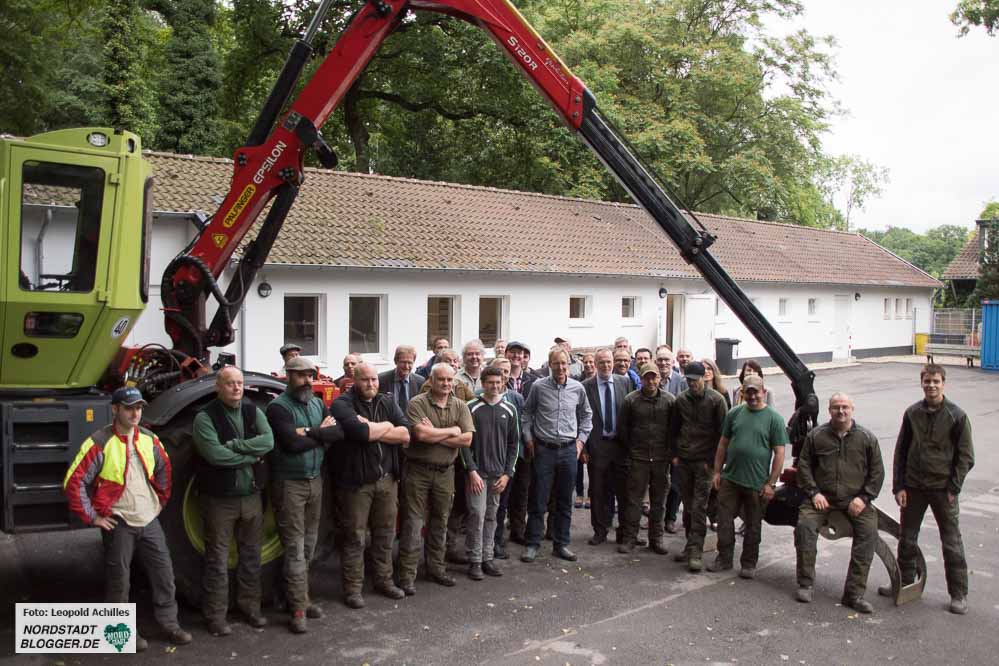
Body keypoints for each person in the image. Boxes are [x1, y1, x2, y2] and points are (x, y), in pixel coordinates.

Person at [63, 387, 192, 652]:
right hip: (119, 522)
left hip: (148, 520)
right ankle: (121, 636)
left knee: (165, 575)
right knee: (119, 581)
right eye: (129, 407)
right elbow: (74, 482)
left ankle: (170, 624)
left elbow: (164, 470)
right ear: (115, 409)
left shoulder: (149, 439)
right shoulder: (99, 442)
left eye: (139, 408)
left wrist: (158, 503)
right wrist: (93, 517)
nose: (135, 413)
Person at [882, 364, 974, 615]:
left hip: (944, 490)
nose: (931, 386)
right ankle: (904, 584)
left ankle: (958, 594)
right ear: (921, 383)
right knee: (907, 539)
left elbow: (966, 456)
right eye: (927, 381)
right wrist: (899, 486)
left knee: (951, 542)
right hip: (913, 488)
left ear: (944, 383)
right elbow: (901, 451)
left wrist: (954, 487)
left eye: (936, 381)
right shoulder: (912, 413)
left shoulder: (957, 416)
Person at [192, 366, 274, 636]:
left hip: (251, 497)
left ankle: (250, 607)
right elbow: (215, 455)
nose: (237, 388)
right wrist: (251, 456)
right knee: (217, 558)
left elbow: (268, 441)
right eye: (230, 384)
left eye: (239, 383)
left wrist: (237, 447)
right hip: (219, 500)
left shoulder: (253, 411)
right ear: (219, 387)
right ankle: (216, 615)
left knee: (251, 555)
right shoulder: (205, 418)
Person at [266, 356, 343, 632]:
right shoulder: (278, 408)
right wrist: (319, 433)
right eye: (301, 375)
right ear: (289, 376)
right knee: (295, 548)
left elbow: (337, 433)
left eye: (310, 375)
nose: (307, 380)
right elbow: (291, 443)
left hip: (315, 481)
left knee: (309, 545)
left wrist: (310, 432)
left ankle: (297, 597)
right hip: (290, 484)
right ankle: (298, 608)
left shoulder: (317, 403)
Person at [330, 363, 411, 609]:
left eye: (374, 379)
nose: (371, 384)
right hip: (356, 484)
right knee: (354, 536)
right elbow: (359, 433)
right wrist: (387, 428)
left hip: (386, 480)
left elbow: (406, 434)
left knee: (385, 533)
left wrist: (377, 428)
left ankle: (383, 580)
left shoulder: (386, 401)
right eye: (365, 380)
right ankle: (353, 588)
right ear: (354, 380)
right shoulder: (342, 404)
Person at [794, 393, 884, 613]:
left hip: (855, 500)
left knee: (869, 533)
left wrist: (864, 498)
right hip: (821, 498)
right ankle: (805, 583)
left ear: (852, 409)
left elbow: (877, 473)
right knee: (804, 527)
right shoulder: (816, 436)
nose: (841, 411)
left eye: (845, 407)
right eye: (836, 407)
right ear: (829, 410)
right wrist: (814, 493)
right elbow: (804, 467)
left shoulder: (867, 439)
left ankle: (854, 594)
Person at [399, 363, 475, 593]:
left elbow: (467, 440)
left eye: (450, 380)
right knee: (413, 523)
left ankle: (436, 569)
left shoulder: (460, 405)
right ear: (431, 380)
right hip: (417, 471)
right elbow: (420, 434)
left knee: (440, 522)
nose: (446, 384)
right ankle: (406, 576)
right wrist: (452, 431)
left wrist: (436, 435)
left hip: (445, 472)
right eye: (441, 379)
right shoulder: (417, 403)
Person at [709, 374, 788, 579]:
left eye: (756, 392)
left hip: (756, 483)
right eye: (748, 392)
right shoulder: (734, 414)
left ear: (763, 392)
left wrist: (771, 483)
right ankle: (724, 558)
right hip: (731, 479)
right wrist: (717, 472)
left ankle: (749, 563)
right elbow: (723, 444)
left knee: (753, 525)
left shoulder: (774, 419)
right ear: (743, 393)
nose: (752, 396)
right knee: (724, 520)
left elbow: (779, 453)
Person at [521, 348, 593, 563]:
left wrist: (581, 441)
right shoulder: (538, 387)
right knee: (538, 499)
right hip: (544, 450)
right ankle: (532, 543)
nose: (561, 368)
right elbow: (526, 414)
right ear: (549, 365)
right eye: (556, 363)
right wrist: (529, 439)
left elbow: (586, 415)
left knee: (564, 500)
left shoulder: (577, 388)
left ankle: (561, 544)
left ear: (569, 365)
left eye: (564, 363)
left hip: (569, 450)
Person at [462, 366, 519, 580]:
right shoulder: (471, 407)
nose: (494, 386)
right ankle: (474, 560)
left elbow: (514, 444)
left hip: (498, 475)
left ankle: (488, 557)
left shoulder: (510, 409)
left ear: (503, 383)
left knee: (491, 516)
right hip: (477, 474)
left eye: (498, 382)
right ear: (483, 383)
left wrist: (507, 474)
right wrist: (472, 471)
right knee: (476, 514)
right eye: (490, 382)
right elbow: (463, 444)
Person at [670, 361, 728, 572]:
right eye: (689, 380)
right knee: (687, 505)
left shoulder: (716, 401)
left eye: (695, 380)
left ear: (704, 378)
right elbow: (674, 429)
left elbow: (723, 435)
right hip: (684, 460)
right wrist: (675, 456)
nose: (692, 384)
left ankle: (696, 551)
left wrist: (713, 463)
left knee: (699, 507)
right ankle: (689, 544)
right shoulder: (681, 400)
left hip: (704, 462)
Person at [617, 364, 674, 555]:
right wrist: (632, 450)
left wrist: (668, 454)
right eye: (647, 377)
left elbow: (674, 430)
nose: (651, 381)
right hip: (638, 459)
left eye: (654, 377)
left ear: (660, 379)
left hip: (660, 460)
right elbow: (623, 429)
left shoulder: (669, 401)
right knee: (634, 501)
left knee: (659, 502)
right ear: (640, 379)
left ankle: (656, 539)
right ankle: (629, 538)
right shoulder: (630, 401)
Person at [581, 348, 630, 546]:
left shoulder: (624, 382)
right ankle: (599, 530)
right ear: (595, 364)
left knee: (624, 491)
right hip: (597, 446)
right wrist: (583, 448)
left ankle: (625, 532)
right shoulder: (586, 386)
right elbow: (581, 417)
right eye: (601, 362)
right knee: (599, 491)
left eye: (609, 362)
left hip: (620, 446)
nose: (606, 366)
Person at [485, 356, 525, 560]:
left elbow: (517, 434)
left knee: (503, 503)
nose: (503, 375)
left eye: (506, 372)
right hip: (486, 463)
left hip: (508, 461)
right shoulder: (479, 399)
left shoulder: (516, 399)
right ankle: (485, 544)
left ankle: (498, 541)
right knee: (488, 507)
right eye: (499, 370)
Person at [378, 345, 425, 413]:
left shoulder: (420, 381)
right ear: (395, 361)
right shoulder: (381, 379)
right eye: (403, 362)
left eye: (410, 363)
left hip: (411, 421)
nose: (406, 366)